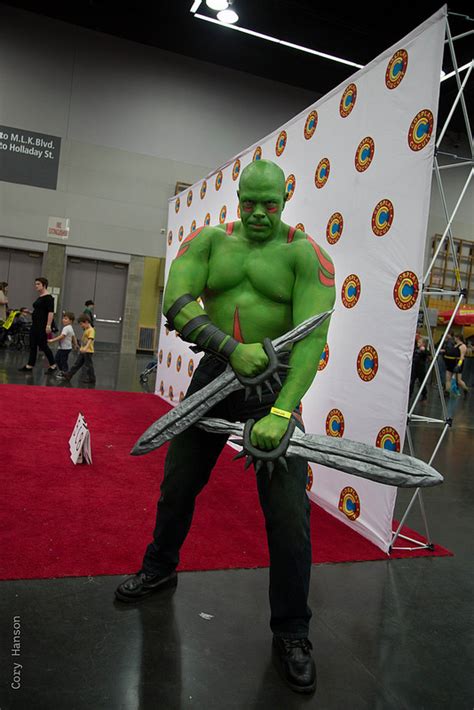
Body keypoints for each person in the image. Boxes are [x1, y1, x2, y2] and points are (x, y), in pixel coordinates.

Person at [115, 160, 336, 694]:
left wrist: (282, 411)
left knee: (287, 513)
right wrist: (231, 350)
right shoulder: (210, 241)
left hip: (274, 382)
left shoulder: (306, 255)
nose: (260, 213)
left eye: (271, 204)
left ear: (286, 197)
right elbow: (176, 301)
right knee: (178, 484)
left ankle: (291, 631)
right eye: (250, 203)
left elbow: (310, 338)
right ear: (239, 198)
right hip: (217, 370)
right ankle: (160, 566)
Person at [18, 277, 57, 374]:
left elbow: (50, 312)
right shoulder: (40, 297)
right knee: (33, 345)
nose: (36, 286)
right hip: (35, 325)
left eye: (38, 284)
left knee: (43, 345)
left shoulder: (49, 298)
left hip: (42, 325)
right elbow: (39, 312)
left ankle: (53, 365)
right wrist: (30, 312)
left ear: (44, 285)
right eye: (35, 284)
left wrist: (48, 325)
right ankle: (30, 365)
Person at [58, 314, 95, 383]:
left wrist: (85, 348)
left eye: (81, 324)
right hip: (83, 351)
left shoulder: (91, 330)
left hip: (88, 351)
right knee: (77, 364)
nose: (81, 326)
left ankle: (92, 378)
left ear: (86, 322)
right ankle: (69, 375)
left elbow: (90, 340)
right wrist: (80, 347)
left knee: (88, 365)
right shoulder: (86, 330)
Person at [409, 333, 430, 401]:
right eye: (418, 342)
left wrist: (423, 350)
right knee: (412, 382)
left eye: (419, 342)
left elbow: (427, 354)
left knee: (422, 382)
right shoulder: (415, 349)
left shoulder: (424, 350)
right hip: (414, 367)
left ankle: (424, 394)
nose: (418, 343)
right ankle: (409, 394)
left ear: (423, 344)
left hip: (421, 369)